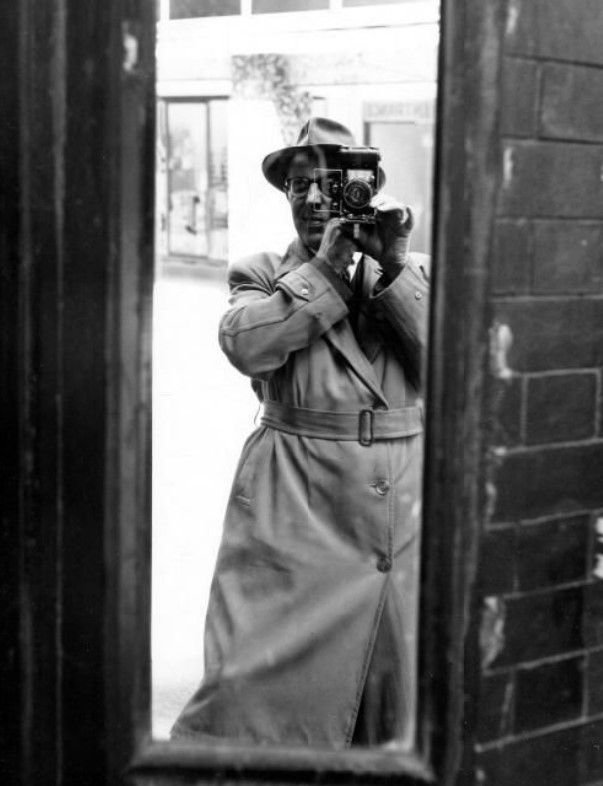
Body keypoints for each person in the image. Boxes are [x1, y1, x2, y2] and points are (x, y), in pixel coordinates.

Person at [171, 117, 429, 748]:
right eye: (298, 185)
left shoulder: (412, 270)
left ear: (367, 189)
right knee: (248, 690)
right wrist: (326, 267)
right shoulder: (260, 271)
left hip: (398, 510)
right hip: (295, 504)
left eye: (331, 184)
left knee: (390, 694)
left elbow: (451, 370)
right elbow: (248, 345)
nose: (314, 199)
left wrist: (390, 264)